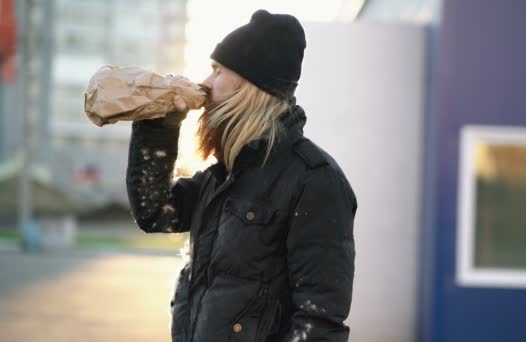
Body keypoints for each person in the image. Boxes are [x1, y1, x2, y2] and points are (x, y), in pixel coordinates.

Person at [126, 9, 357, 342]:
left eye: (218, 70)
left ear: (252, 86)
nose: (205, 82)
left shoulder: (315, 180)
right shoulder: (224, 175)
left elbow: (318, 322)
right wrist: (160, 127)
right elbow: (155, 212)